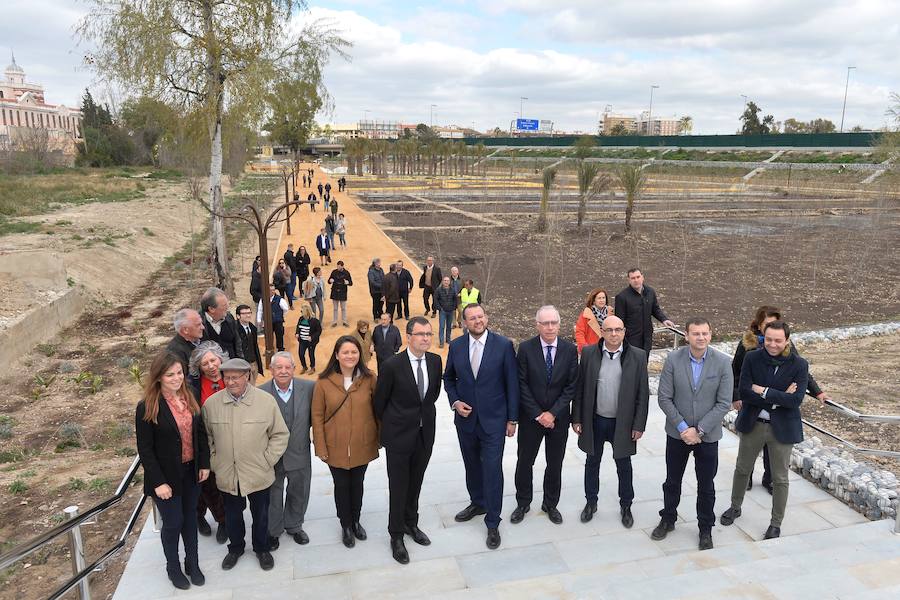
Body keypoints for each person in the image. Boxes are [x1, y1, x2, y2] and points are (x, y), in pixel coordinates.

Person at [720, 320, 809, 540]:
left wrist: (764, 391)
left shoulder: (799, 364)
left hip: (782, 429)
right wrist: (780, 396)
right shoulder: (752, 358)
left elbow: (795, 400)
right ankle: (735, 506)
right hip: (753, 424)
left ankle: (775, 523)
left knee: (780, 479)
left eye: (778, 340)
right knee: (742, 468)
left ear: (787, 340)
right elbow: (745, 391)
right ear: (763, 337)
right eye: (768, 339)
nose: (772, 344)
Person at [652, 318, 732, 551]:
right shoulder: (673, 360)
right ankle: (668, 518)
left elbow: (724, 402)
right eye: (695, 334)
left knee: (706, 485)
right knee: (672, 481)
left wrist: (700, 430)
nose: (701, 338)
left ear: (710, 335)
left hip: (707, 437)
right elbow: (664, 397)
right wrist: (683, 427)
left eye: (705, 333)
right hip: (678, 435)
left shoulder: (723, 363)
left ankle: (705, 528)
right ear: (686, 336)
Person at [443, 303, 519, 550]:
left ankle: (493, 522)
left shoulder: (503, 346)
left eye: (480, 316)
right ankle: (478, 502)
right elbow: (449, 378)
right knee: (472, 465)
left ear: (486, 318)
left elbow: (512, 384)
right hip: (466, 420)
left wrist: (512, 419)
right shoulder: (456, 346)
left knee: (493, 469)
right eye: (472, 318)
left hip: (495, 421)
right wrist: (455, 402)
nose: (477, 321)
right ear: (464, 322)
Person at [202, 358, 289, 571]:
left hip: (259, 473)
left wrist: (267, 460)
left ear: (247, 377)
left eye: (235, 378)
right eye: (227, 378)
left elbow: (280, 434)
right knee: (232, 515)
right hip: (227, 474)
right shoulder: (211, 404)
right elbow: (207, 439)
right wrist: (215, 462)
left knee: (261, 514)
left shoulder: (266, 401)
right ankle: (236, 548)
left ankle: (261, 548)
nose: (230, 382)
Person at [732, 306, 830, 493]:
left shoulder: (786, 346)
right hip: (752, 406)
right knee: (749, 447)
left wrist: (817, 392)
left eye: (775, 323)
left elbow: (802, 373)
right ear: (759, 325)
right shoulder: (747, 345)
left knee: (773, 449)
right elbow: (736, 372)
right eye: (767, 324)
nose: (773, 339)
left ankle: (769, 480)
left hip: (773, 411)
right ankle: (748, 478)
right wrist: (737, 395)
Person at [136, 351, 210, 590]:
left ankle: (193, 563)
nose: (177, 378)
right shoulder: (148, 406)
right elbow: (145, 449)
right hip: (166, 478)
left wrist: (204, 464)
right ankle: (173, 567)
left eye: (179, 373)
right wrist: (158, 482)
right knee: (173, 522)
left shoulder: (189, 396)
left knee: (190, 519)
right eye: (170, 375)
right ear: (158, 377)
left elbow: (200, 433)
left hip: (191, 472)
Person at [373, 317, 442, 564]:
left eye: (429, 334)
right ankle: (396, 535)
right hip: (399, 437)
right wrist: (394, 426)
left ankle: (412, 524)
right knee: (399, 486)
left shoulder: (435, 361)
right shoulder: (392, 365)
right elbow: (379, 403)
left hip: (424, 435)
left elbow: (431, 396)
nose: (425, 338)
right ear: (409, 336)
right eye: (421, 334)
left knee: (416, 483)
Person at [571, 315, 648, 528]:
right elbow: (580, 389)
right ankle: (591, 502)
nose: (614, 334)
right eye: (609, 330)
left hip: (622, 423)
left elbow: (642, 393)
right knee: (591, 462)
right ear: (602, 332)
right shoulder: (588, 354)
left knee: (624, 465)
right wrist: (576, 418)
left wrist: (638, 424)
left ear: (624, 332)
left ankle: (626, 505)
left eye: (618, 330)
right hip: (595, 420)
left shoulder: (638, 356)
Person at [511, 306, 578, 526]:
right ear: (537, 325)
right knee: (525, 462)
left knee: (554, 463)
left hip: (558, 420)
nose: (550, 327)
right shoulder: (526, 348)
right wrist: (539, 414)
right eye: (545, 323)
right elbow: (521, 383)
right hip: (532, 419)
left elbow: (571, 386)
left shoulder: (569, 350)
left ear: (559, 324)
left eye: (553, 323)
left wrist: (552, 413)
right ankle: (523, 502)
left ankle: (550, 503)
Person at [311, 336, 379, 548]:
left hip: (362, 443)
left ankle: (356, 520)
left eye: (354, 352)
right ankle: (346, 524)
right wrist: (320, 446)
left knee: (357, 484)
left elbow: (378, 410)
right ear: (337, 355)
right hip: (335, 445)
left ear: (360, 354)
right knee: (341, 485)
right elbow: (317, 416)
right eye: (346, 352)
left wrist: (380, 438)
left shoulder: (369, 379)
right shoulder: (323, 382)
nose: (350, 356)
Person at [260, 352, 315, 549]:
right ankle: (274, 531)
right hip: (272, 456)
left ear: (293, 368)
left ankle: (294, 525)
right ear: (271, 370)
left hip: (299, 451)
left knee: (299, 490)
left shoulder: (309, 388)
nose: (283, 371)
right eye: (279, 367)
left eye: (287, 367)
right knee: (273, 494)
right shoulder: (261, 392)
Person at [186, 342, 230, 545]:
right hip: (205, 442)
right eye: (205, 363)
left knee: (226, 484)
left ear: (221, 358)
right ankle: (215, 519)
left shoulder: (232, 377)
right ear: (199, 367)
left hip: (230, 439)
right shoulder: (192, 387)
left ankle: (225, 517)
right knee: (208, 484)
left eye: (213, 360)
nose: (211, 366)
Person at [614, 268, 675, 356]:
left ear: (643, 277)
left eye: (638, 277)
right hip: (630, 338)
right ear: (629, 280)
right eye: (633, 278)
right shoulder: (622, 297)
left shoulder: (650, 292)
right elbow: (619, 320)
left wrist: (664, 320)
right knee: (632, 364)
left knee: (644, 363)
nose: (636, 280)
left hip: (647, 337)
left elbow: (655, 309)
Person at [199, 287, 245, 360]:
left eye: (227, 304)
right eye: (224, 305)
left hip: (231, 367)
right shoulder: (198, 323)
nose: (227, 307)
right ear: (211, 309)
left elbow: (237, 343)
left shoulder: (229, 318)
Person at [574, 288, 613, 354]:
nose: (602, 300)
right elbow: (579, 332)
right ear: (593, 300)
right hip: (591, 350)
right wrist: (585, 348)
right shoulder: (586, 314)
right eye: (599, 298)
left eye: (603, 298)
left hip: (608, 350)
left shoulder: (611, 313)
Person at [236, 305, 264, 383]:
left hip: (254, 362)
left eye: (249, 313)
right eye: (244, 313)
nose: (248, 315)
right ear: (238, 316)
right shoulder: (234, 329)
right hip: (242, 364)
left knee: (252, 384)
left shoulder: (253, 328)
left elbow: (255, 346)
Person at [257, 284, 290, 352]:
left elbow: (285, 309)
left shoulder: (280, 299)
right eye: (270, 290)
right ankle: (269, 349)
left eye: (273, 290)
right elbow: (260, 310)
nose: (272, 291)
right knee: (268, 336)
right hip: (267, 322)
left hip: (278, 321)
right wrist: (259, 320)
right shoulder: (263, 299)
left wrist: (280, 316)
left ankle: (280, 349)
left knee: (279, 335)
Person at [295, 303, 322, 374]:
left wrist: (312, 337)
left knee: (311, 354)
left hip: (311, 342)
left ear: (306, 312)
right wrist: (297, 333)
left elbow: (319, 331)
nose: (301, 313)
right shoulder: (301, 319)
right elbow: (298, 327)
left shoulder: (315, 321)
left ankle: (312, 367)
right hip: (302, 340)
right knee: (301, 354)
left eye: (302, 311)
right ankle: (304, 367)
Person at [434, 276, 458, 349]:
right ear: (442, 281)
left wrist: (454, 307)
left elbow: (455, 299)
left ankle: (448, 340)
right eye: (445, 280)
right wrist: (439, 308)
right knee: (442, 326)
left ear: (449, 282)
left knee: (449, 326)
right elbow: (435, 299)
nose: (446, 282)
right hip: (442, 311)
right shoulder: (438, 290)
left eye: (447, 280)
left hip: (450, 311)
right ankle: (441, 342)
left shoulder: (452, 290)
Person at [328, 261, 353, 327]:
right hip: (335, 292)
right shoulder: (334, 272)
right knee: (335, 308)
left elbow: (351, 283)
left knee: (343, 308)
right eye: (337, 266)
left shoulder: (346, 273)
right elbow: (329, 281)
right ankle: (334, 321)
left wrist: (347, 282)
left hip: (342, 292)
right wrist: (330, 281)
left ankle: (344, 321)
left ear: (342, 266)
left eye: (339, 266)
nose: (338, 268)